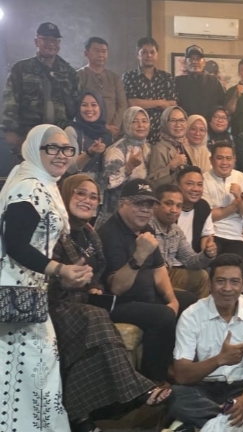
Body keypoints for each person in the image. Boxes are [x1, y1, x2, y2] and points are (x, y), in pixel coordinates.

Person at [51, 175, 172, 432]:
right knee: (97, 317)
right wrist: (65, 279)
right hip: (55, 303)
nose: (87, 200)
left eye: (93, 196)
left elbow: (98, 274)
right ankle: (140, 387)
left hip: (86, 301)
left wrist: (93, 286)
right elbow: (38, 273)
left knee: (96, 316)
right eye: (80, 193)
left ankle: (81, 418)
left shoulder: (90, 235)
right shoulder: (54, 231)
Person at [0, 125, 92, 432]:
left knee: (27, 376)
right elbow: (15, 244)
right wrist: (59, 269)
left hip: (30, 294)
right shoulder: (29, 188)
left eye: (67, 149)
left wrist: (63, 274)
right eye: (51, 147)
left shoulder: (44, 185)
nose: (61, 155)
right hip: (14, 298)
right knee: (30, 375)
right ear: (33, 149)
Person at [98, 178, 199, 383]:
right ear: (122, 204)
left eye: (150, 205)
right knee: (162, 316)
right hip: (119, 303)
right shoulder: (109, 233)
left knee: (189, 301)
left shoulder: (147, 229)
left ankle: (177, 363)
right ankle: (153, 380)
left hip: (145, 296)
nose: (145, 210)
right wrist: (139, 255)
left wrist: (172, 300)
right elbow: (117, 288)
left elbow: (158, 269)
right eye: (139, 204)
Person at [168, 253, 243, 429]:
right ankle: (235, 423)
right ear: (210, 284)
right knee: (175, 396)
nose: (227, 288)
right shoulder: (191, 316)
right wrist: (219, 359)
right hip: (204, 387)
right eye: (220, 281)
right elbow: (181, 375)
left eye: (234, 282)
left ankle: (211, 424)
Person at [1, 23, 79, 158]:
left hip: (59, 135)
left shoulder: (69, 72)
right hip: (28, 134)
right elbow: (10, 100)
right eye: (45, 39)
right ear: (36, 41)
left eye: (55, 40)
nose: (51, 43)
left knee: (57, 170)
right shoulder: (21, 68)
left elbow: (76, 104)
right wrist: (10, 130)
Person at [151, 183, 217, 298]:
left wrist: (207, 254)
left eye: (179, 206)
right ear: (155, 205)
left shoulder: (176, 231)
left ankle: (203, 310)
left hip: (168, 274)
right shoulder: (146, 226)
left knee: (202, 276)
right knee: (187, 298)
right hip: (149, 279)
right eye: (169, 203)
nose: (174, 210)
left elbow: (191, 260)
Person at [203, 142, 243, 270]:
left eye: (228, 158)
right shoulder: (204, 178)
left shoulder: (242, 178)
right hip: (212, 234)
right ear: (211, 160)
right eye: (219, 158)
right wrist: (237, 204)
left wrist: (239, 195)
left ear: (234, 160)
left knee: (240, 267)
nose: (224, 162)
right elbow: (208, 215)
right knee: (215, 267)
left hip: (236, 236)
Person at [97, 106, 151, 228]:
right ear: (126, 124)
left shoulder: (147, 147)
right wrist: (128, 167)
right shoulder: (116, 150)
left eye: (144, 121)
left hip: (140, 214)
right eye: (134, 121)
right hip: (116, 216)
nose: (141, 125)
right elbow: (107, 181)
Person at [123, 37, 178, 145]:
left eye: (152, 52)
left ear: (157, 55)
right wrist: (160, 103)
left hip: (162, 132)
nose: (149, 55)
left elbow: (172, 105)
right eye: (144, 52)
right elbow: (132, 103)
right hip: (138, 131)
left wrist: (144, 103)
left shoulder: (166, 77)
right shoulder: (129, 76)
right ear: (137, 54)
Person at [77, 37, 128, 138]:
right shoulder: (79, 76)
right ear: (86, 53)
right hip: (88, 131)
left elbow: (122, 104)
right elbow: (77, 105)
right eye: (96, 51)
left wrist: (115, 126)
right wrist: (103, 127)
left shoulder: (115, 77)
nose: (101, 55)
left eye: (104, 51)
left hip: (114, 132)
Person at [64, 91, 113, 180]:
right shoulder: (71, 131)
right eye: (84, 105)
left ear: (101, 108)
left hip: (102, 186)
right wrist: (89, 153)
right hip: (77, 184)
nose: (89, 109)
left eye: (94, 105)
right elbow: (69, 168)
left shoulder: (107, 134)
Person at [174, 45, 226, 117]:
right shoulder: (177, 82)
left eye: (198, 59)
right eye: (191, 59)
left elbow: (222, 106)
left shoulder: (214, 82)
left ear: (204, 62)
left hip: (208, 123)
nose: (195, 62)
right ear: (186, 62)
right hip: (185, 123)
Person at [148, 106, 192, 188]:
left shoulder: (184, 145)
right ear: (165, 123)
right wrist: (171, 167)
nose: (178, 125)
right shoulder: (159, 149)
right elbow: (153, 183)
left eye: (182, 120)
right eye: (173, 120)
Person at [176, 165, 215, 254]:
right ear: (178, 186)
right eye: (189, 184)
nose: (195, 189)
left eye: (199, 184)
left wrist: (208, 249)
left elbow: (206, 236)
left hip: (192, 260)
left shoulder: (203, 207)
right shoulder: (170, 207)